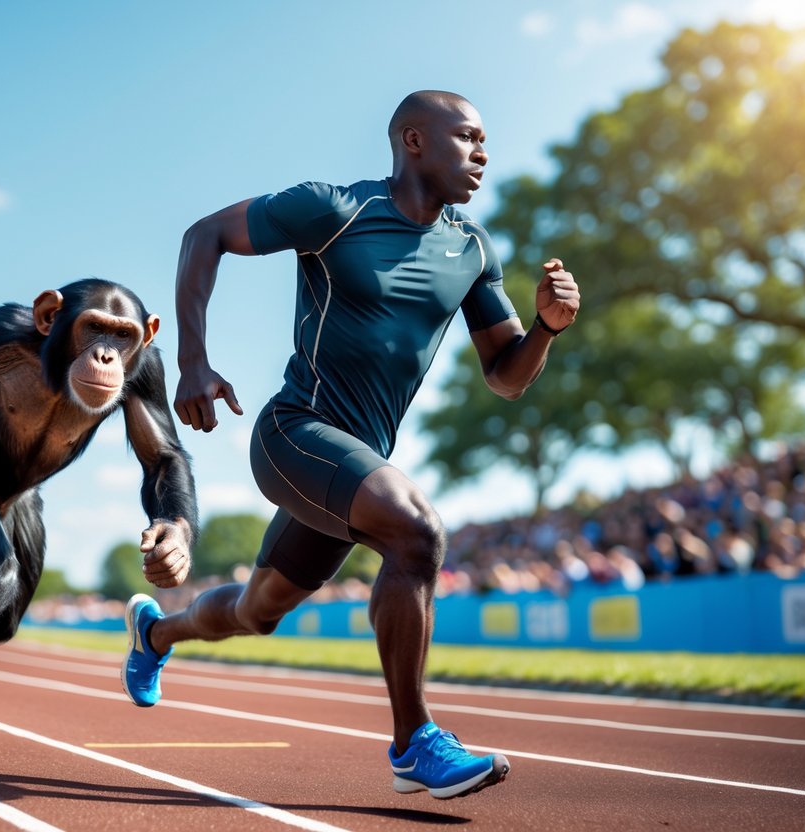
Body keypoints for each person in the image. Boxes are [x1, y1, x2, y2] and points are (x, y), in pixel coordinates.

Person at [121, 90, 580, 800]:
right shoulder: (335, 210)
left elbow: (505, 376)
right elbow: (202, 235)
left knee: (256, 611)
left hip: (351, 466)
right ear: (413, 140)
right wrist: (192, 361)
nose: (484, 153)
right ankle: (413, 743)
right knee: (416, 533)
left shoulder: (471, 250)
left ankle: (154, 635)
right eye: (468, 137)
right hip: (295, 432)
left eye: (486, 140)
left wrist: (545, 329)